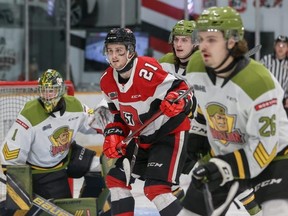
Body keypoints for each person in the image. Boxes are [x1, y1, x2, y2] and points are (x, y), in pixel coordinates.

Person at [179, 6, 288, 216]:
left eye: (211, 40)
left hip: (274, 157)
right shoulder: (195, 67)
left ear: (232, 41)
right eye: (200, 39)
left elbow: (264, 150)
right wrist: (197, 137)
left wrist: (223, 167)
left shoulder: (258, 83)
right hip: (226, 153)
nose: (202, 46)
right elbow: (204, 105)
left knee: (277, 211)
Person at [100, 27, 194, 216]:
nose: (114, 56)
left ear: (131, 51)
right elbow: (118, 116)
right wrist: (114, 134)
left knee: (156, 189)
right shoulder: (107, 81)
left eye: (119, 51)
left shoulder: (146, 69)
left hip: (168, 133)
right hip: (141, 138)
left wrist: (177, 101)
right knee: (116, 180)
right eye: (110, 51)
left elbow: (184, 90)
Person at [0, 69, 110, 215]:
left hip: (67, 157)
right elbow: (10, 153)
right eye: (44, 90)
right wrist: (19, 184)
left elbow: (94, 123)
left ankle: (97, 207)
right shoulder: (29, 114)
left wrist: (109, 122)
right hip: (41, 170)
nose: (47, 95)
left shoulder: (74, 105)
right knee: (59, 209)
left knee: (101, 168)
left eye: (51, 91)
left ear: (61, 91)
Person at [158, 19, 202, 200]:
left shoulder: (205, 65)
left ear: (195, 42)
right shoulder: (165, 62)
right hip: (176, 130)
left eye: (184, 40)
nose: (178, 44)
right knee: (169, 181)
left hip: (202, 133)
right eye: (176, 39)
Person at [260, 35, 288, 116]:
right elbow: (258, 76)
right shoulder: (266, 59)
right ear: (274, 46)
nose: (281, 48)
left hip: (283, 100)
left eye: (284, 46)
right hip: (267, 98)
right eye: (279, 45)